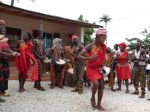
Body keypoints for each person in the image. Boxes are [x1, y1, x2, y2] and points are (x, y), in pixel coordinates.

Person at [78, 29, 107, 111]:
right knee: (96, 84)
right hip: (91, 68)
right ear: (97, 36)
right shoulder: (90, 46)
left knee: (101, 86)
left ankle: (99, 105)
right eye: (103, 37)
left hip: (99, 68)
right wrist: (89, 57)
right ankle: (93, 96)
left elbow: (105, 55)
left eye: (105, 38)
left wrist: (110, 55)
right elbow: (79, 56)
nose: (104, 39)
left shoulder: (102, 46)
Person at [0, 19, 18, 97]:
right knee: (0, 76)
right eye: (2, 30)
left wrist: (13, 52)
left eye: (5, 30)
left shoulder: (4, 40)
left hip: (5, 61)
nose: (4, 32)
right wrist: (9, 55)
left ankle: (2, 91)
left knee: (5, 75)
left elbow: (7, 48)